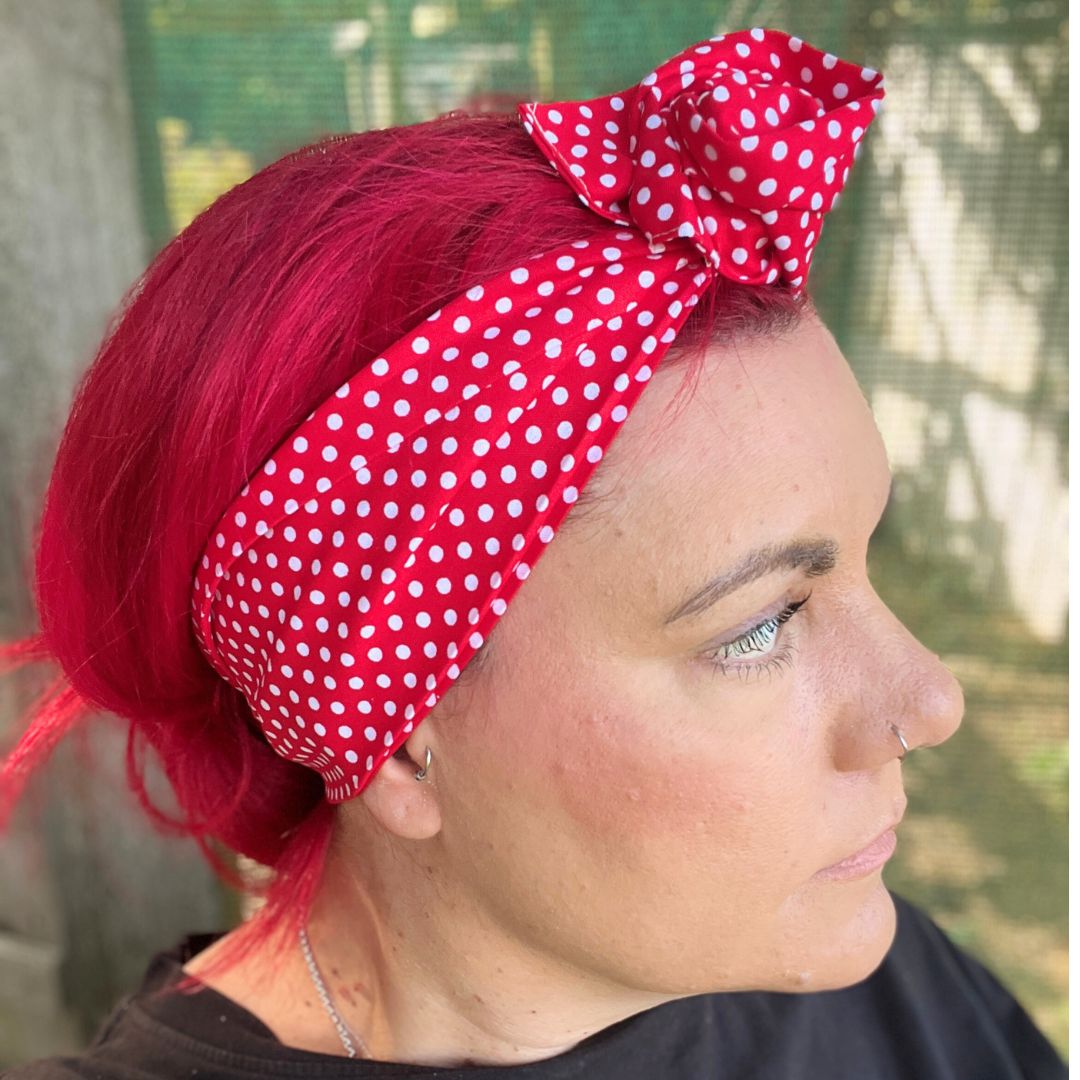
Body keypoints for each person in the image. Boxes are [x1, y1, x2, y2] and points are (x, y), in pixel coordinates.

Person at [0, 26, 1065, 1079]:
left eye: (864, 552)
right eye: (760, 627)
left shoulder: (878, 986)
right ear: (403, 739)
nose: (930, 703)